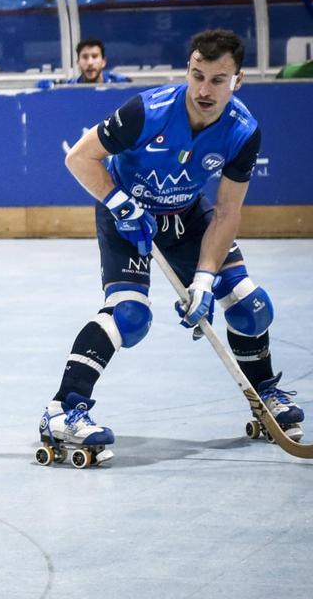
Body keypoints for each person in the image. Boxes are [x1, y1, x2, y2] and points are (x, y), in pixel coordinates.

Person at [38, 28, 305, 465]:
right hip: (126, 212)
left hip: (188, 215)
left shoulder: (243, 131)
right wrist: (120, 203)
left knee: (250, 305)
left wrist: (203, 280)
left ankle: (264, 395)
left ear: (238, 81)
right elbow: (79, 158)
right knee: (130, 315)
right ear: (188, 70)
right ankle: (63, 410)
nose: (204, 90)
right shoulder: (148, 111)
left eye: (218, 80)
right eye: (197, 76)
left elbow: (227, 212)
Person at [65, 38, 132, 85]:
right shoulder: (68, 87)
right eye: (85, 57)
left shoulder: (122, 84)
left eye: (94, 56)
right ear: (78, 63)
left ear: (103, 62)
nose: (90, 63)